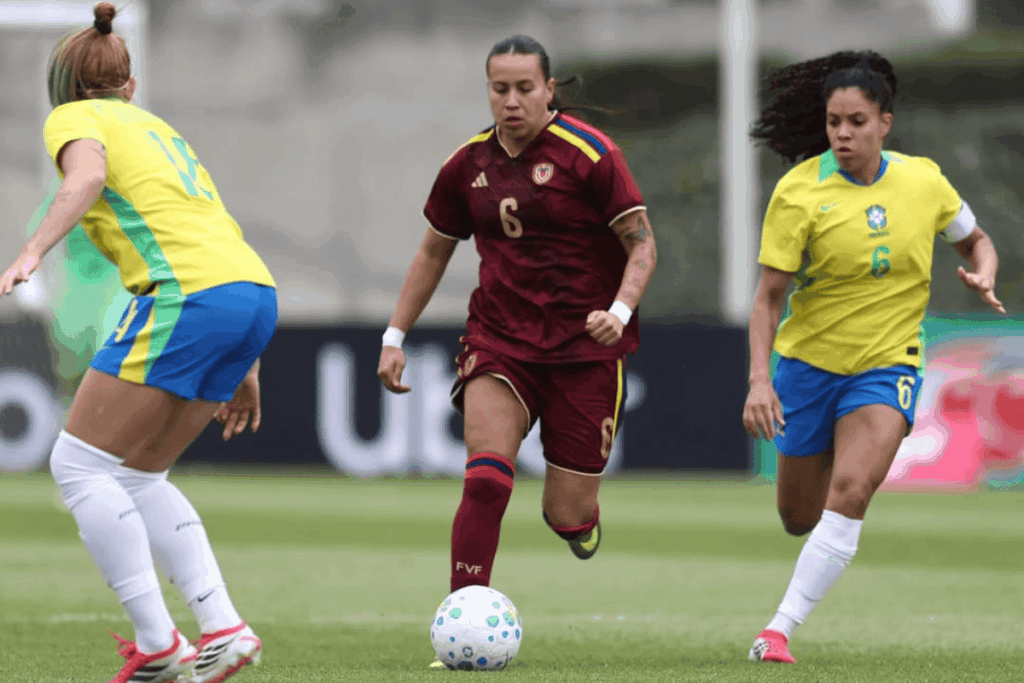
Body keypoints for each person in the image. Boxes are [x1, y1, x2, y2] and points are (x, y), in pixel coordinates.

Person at [0, 4, 276, 681]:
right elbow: (215, 228)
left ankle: (160, 642)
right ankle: (221, 628)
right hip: (250, 291)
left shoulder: (72, 119)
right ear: (130, 83)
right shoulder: (157, 130)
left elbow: (86, 179)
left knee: (78, 466)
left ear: (63, 86)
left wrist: (32, 251)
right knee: (138, 473)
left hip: (187, 295)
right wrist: (247, 361)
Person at [376, 34, 657, 666]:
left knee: (567, 512)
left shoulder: (592, 155)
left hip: (585, 351)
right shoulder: (466, 165)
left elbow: (642, 245)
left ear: (549, 89)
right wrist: (395, 335)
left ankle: (578, 524)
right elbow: (433, 250)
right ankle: (461, 623)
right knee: (485, 477)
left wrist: (618, 310)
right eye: (499, 89)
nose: (511, 101)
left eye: (524, 88)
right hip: (500, 340)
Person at [742, 50, 1004, 663]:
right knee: (796, 517)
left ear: (885, 122)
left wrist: (984, 271)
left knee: (854, 488)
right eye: (834, 122)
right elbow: (767, 299)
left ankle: (777, 631)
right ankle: (826, 447)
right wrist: (761, 380)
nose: (842, 134)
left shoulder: (924, 180)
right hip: (807, 370)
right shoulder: (799, 192)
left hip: (888, 365)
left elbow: (976, 238)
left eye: (856, 121)